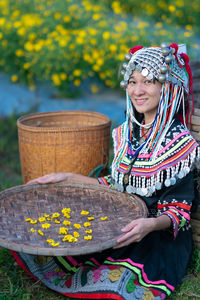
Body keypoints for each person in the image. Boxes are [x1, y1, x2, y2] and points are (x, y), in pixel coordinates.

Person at [12, 43, 200, 299]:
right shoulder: (126, 133)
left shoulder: (178, 144)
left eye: (148, 82)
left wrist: (150, 224)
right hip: (119, 219)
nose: (138, 90)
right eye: (132, 82)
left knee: (118, 284)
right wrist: (67, 178)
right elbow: (117, 183)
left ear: (168, 87)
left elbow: (179, 211)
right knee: (38, 241)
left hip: (156, 234)